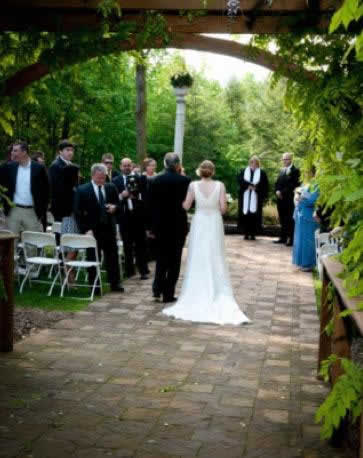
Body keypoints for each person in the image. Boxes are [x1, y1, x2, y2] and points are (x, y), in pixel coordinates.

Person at [162, 160, 250, 324]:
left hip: (200, 221)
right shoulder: (220, 185)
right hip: (214, 221)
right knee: (215, 254)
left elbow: (186, 206)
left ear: (199, 171)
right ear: (213, 171)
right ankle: (216, 290)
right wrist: (219, 204)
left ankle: (196, 291)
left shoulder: (193, 185)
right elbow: (223, 209)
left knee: (198, 255)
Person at [74, 163, 124, 293]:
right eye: (99, 178)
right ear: (92, 175)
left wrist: (115, 208)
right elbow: (78, 213)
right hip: (92, 230)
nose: (102, 181)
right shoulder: (82, 190)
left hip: (108, 228)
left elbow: (119, 207)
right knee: (92, 258)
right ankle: (94, 286)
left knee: (112, 257)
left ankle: (115, 283)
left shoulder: (111, 187)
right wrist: (86, 230)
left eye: (104, 178)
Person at [148, 153, 190, 303]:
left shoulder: (154, 180)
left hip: (159, 226)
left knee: (161, 259)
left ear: (165, 164)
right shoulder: (185, 181)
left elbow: (150, 206)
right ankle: (168, 293)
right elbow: (188, 204)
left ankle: (156, 289)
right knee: (174, 262)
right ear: (178, 165)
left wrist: (150, 228)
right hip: (178, 226)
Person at [0, 141, 49, 235]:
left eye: (15, 151)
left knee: (31, 244)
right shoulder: (8, 167)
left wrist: (41, 212)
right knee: (10, 243)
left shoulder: (39, 168)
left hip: (32, 211)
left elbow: (46, 191)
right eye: (12, 151)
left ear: (24, 152)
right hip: (13, 211)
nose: (12, 153)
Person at [113, 158, 149, 280]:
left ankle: (143, 271)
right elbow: (113, 198)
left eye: (129, 165)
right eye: (124, 165)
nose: (127, 167)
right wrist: (121, 195)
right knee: (127, 245)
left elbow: (146, 196)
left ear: (132, 166)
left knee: (140, 244)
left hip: (138, 216)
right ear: (120, 166)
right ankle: (129, 271)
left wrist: (136, 194)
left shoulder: (140, 179)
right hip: (124, 216)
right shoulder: (115, 181)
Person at [292, 167, 319, 272]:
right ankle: (301, 262)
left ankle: (309, 264)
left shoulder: (317, 185)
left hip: (309, 216)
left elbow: (313, 199)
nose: (305, 174)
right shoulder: (305, 184)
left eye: (307, 172)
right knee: (300, 239)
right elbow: (299, 193)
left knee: (308, 240)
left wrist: (302, 197)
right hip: (301, 215)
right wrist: (297, 195)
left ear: (313, 173)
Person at [237, 155, 269, 240]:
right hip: (245, 197)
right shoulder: (243, 171)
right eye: (252, 162)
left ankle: (253, 233)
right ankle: (246, 233)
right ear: (249, 163)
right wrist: (248, 186)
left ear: (258, 164)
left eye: (255, 163)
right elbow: (240, 180)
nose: (253, 164)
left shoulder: (262, 173)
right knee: (246, 214)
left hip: (256, 197)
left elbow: (265, 185)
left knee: (254, 216)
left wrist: (256, 188)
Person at [274, 152, 301, 246]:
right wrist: (277, 191)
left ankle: (291, 239)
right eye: (284, 159)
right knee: (282, 218)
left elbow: (293, 185)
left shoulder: (295, 170)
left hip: (289, 199)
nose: (285, 161)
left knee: (289, 219)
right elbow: (277, 183)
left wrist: (282, 192)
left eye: (287, 159)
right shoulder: (282, 170)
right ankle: (283, 237)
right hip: (280, 199)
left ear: (291, 159)